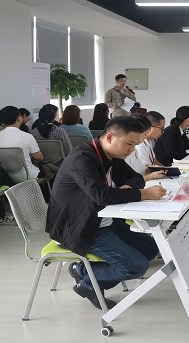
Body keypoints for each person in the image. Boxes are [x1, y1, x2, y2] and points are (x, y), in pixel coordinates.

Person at [46, 116, 165, 310]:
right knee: (137, 267)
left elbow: (136, 177)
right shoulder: (82, 158)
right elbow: (102, 196)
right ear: (110, 137)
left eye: (135, 145)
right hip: (79, 228)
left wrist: (129, 188)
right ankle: (88, 284)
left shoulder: (111, 156)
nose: (131, 150)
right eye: (129, 144)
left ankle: (82, 271)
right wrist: (142, 194)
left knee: (151, 248)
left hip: (103, 219)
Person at [0, 106, 43, 182]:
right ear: (19, 118)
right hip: (26, 176)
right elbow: (39, 157)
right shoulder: (27, 137)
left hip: (5, 176)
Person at [125, 114, 167, 181]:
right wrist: (150, 176)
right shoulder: (138, 146)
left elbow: (151, 163)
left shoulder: (139, 147)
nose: (145, 136)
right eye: (161, 129)